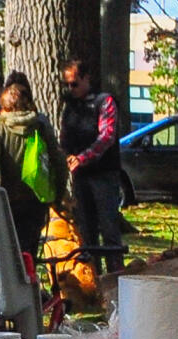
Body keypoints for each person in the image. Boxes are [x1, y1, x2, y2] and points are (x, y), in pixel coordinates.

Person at [58, 57, 124, 272]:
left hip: (104, 175)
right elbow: (65, 137)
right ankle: (93, 282)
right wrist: (67, 155)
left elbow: (107, 137)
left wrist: (83, 158)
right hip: (81, 177)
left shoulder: (104, 102)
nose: (71, 88)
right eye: (67, 84)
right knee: (86, 230)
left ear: (87, 79)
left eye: (75, 83)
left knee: (109, 229)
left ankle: (115, 278)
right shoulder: (70, 107)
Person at [0, 72, 60, 270]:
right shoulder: (40, 125)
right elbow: (58, 160)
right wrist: (58, 194)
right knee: (30, 253)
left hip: (8, 200)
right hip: (36, 199)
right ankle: (31, 289)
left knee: (10, 254)